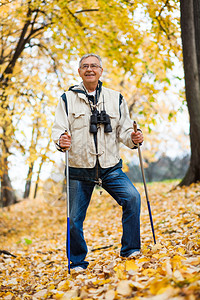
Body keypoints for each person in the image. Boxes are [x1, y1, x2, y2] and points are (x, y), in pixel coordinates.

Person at [52, 53, 144, 271]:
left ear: (101, 71)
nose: (90, 69)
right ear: (79, 72)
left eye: (94, 66)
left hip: (110, 167)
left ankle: (130, 250)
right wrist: (61, 141)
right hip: (78, 168)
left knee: (132, 198)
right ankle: (77, 262)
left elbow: (124, 130)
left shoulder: (116, 98)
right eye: (85, 66)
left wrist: (133, 138)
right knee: (74, 218)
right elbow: (58, 130)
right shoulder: (66, 99)